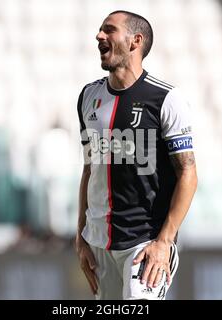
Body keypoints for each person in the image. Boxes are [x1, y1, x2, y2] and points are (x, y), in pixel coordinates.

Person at [75, 10, 198, 300]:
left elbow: (188, 173)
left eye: (109, 30)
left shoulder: (166, 99)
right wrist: (81, 237)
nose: (99, 36)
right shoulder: (88, 97)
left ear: (135, 41)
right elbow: (90, 169)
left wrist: (164, 241)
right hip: (98, 243)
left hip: (145, 244)